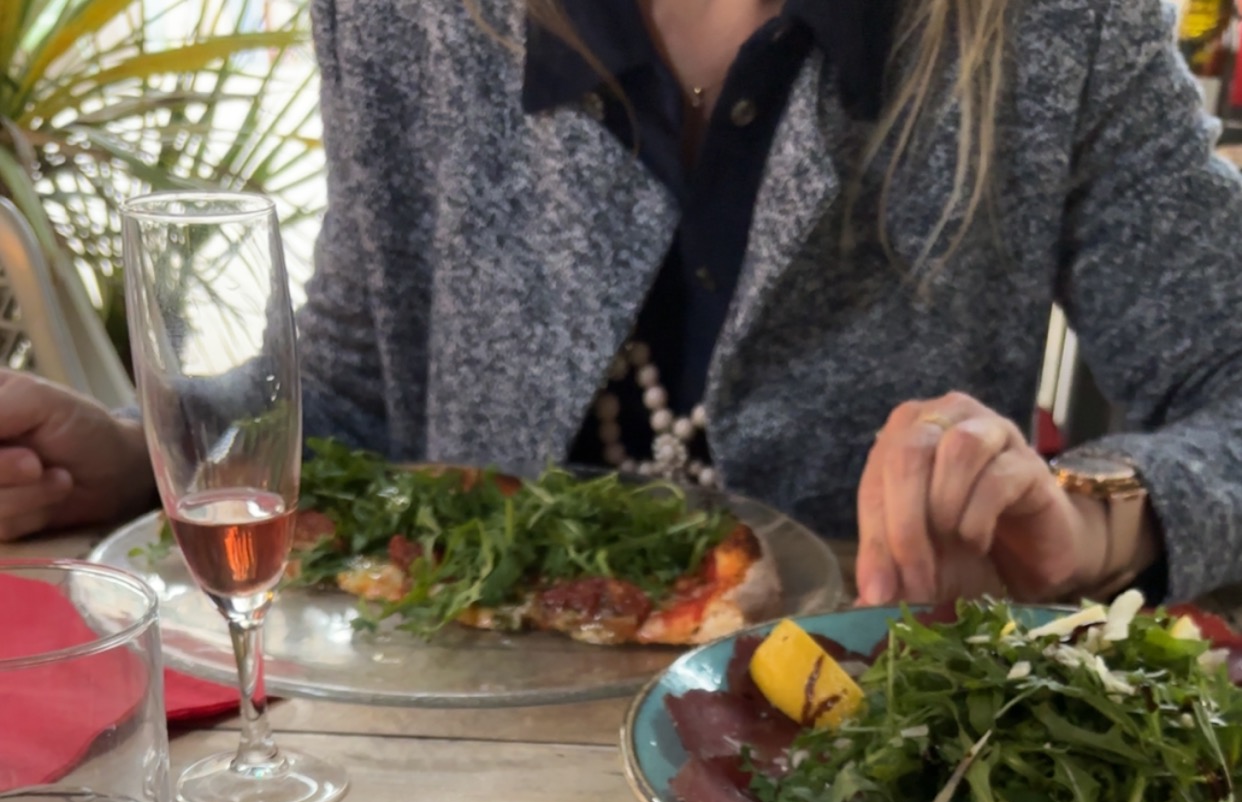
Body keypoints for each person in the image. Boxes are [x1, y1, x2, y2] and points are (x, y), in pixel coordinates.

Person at [2, 0, 1241, 607]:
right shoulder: (404, 17)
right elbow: (362, 408)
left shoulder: (1059, 27)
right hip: (451, 797)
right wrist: (156, 455)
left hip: (861, 784)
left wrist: (1089, 520)